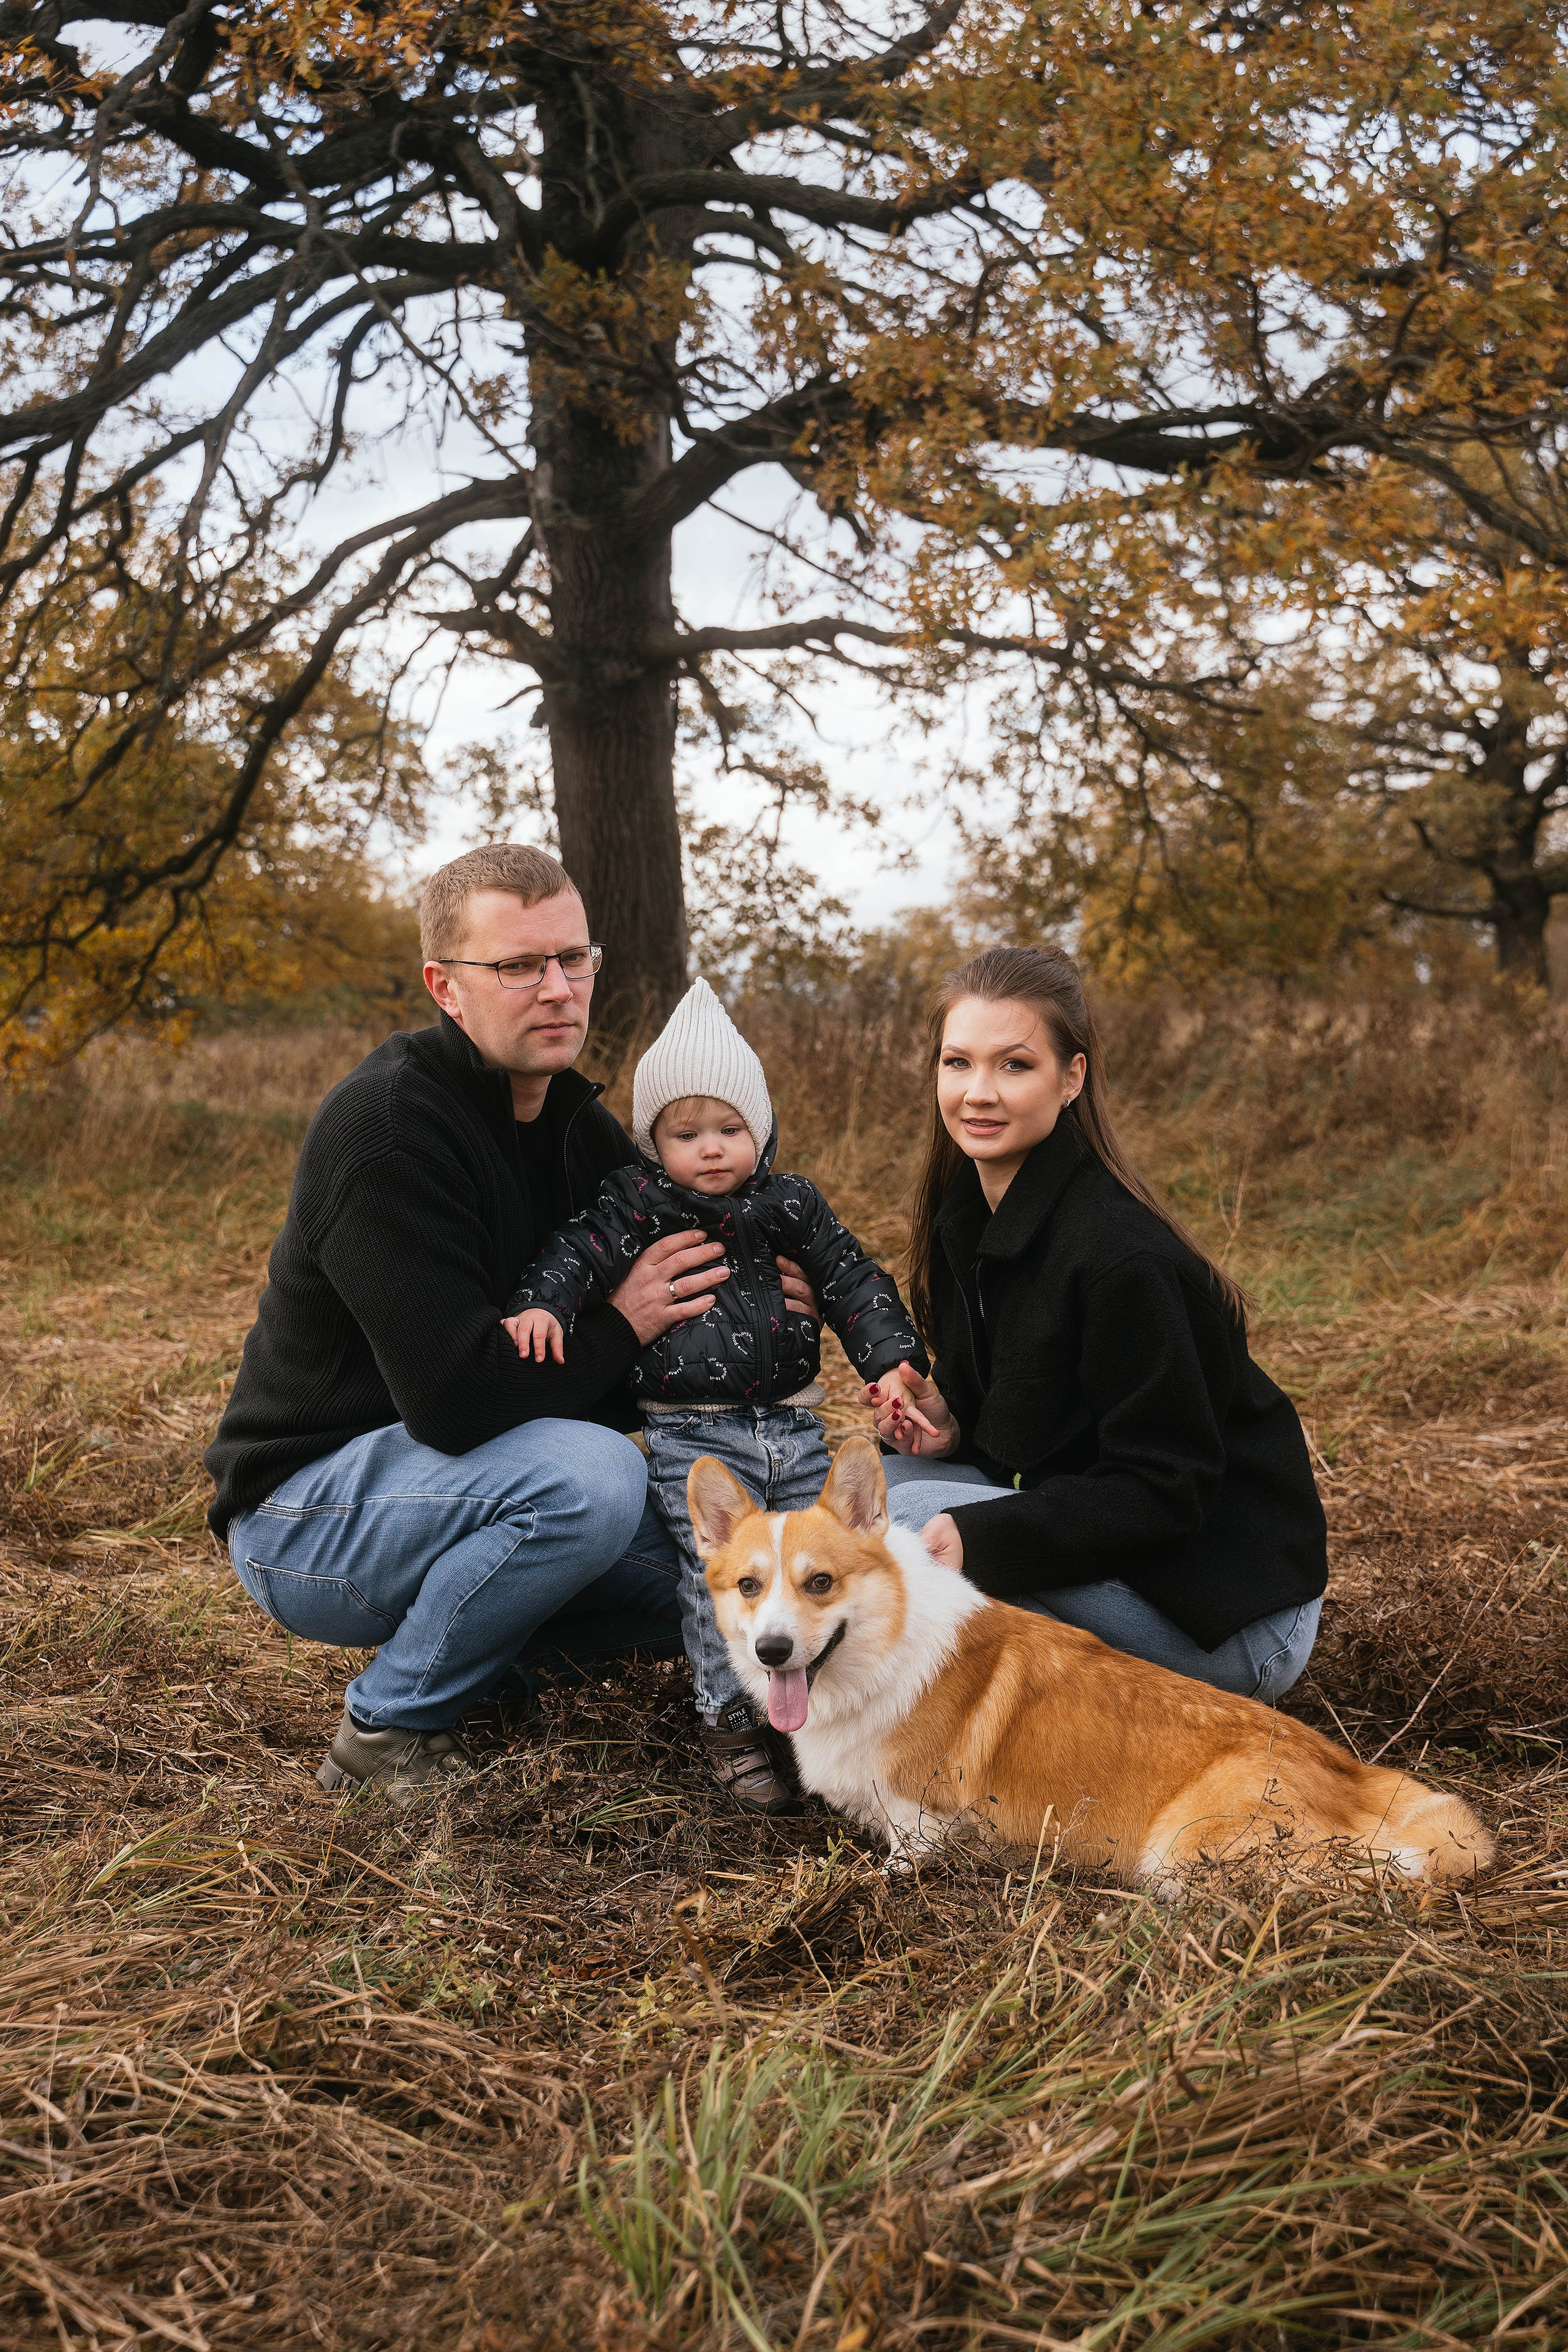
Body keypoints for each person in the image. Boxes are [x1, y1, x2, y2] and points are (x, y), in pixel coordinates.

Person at [203, 843, 823, 1801]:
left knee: (725, 1563)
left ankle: (489, 1667)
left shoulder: (575, 1127)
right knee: (595, 1477)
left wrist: (764, 1309)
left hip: (469, 1484)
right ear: (445, 987)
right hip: (311, 1517)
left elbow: (668, 1323)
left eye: (573, 959)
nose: (558, 989)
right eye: (519, 966)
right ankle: (388, 1728)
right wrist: (623, 1324)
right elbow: (457, 1404)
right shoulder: (388, 1130)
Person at [502, 976, 926, 1814]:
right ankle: (728, 1722)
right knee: (721, 1582)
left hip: (793, 1424)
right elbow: (576, 1251)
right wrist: (544, 1302)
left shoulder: (792, 1202)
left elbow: (853, 1280)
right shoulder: (636, 1203)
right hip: (694, 1430)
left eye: (730, 1130)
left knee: (809, 1573)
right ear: (653, 1141)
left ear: (759, 1132)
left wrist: (891, 1361)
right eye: (686, 1133)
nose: (710, 1150)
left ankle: (815, 1712)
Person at [863, 946, 1327, 1701]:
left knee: (912, 1518)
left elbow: (1167, 1488)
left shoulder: (1123, 1259)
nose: (978, 1093)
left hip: (1228, 1616)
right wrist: (950, 1426)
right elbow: (1036, 1429)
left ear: (1071, 1077)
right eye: (957, 1063)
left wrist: (984, 1537)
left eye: (1014, 1065)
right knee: (878, 1488)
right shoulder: (968, 1220)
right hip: (1129, 1560)